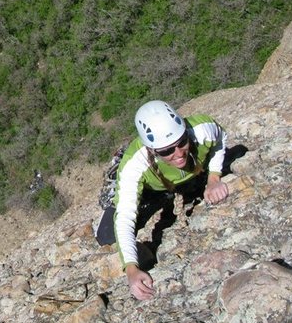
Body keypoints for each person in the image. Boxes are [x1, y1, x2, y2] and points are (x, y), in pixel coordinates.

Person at [96, 100, 229, 300]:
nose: (178, 153)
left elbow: (220, 139)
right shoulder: (135, 164)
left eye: (182, 142)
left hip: (183, 177)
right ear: (153, 150)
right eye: (167, 150)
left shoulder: (202, 129)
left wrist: (214, 178)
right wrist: (132, 269)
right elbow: (125, 217)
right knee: (107, 234)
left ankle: (172, 188)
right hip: (151, 187)